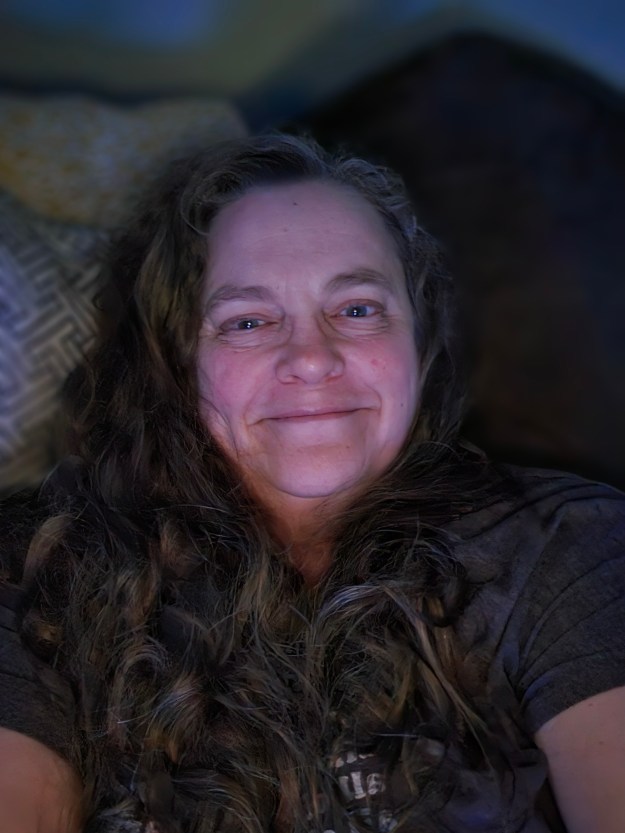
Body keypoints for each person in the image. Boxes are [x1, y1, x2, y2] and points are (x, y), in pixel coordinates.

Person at [0, 133, 624, 833]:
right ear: (177, 363)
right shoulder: (40, 573)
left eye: (356, 308)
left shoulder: (567, 549)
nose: (311, 357)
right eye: (248, 321)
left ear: (419, 340)